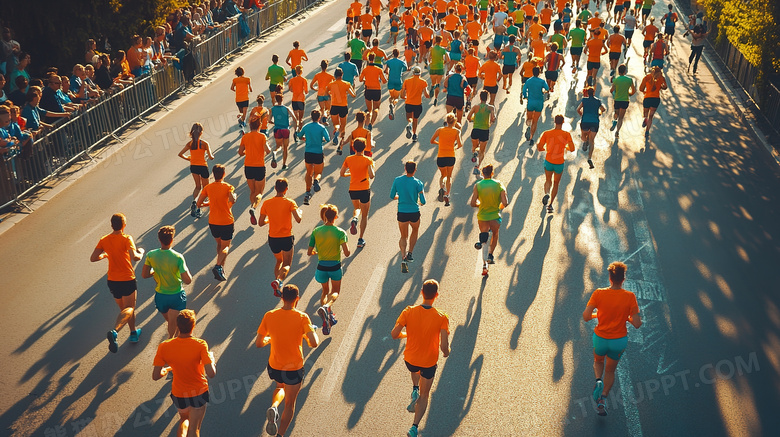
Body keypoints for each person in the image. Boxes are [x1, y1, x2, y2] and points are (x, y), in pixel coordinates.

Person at [257, 284, 319, 437]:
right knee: (290, 403)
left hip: (275, 366)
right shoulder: (302, 317)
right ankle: (280, 434)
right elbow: (314, 342)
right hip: (294, 368)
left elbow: (259, 343)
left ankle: (274, 405)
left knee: (280, 387)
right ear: (297, 299)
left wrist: (269, 340)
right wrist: (307, 335)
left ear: (282, 297)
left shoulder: (269, 315)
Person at [391, 279, 450, 437]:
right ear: (436, 295)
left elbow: (394, 334)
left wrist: (406, 334)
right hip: (429, 362)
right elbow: (444, 346)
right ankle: (414, 427)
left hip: (410, 359)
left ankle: (414, 388)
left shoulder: (408, 311)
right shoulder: (441, 317)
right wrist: (446, 352)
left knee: (415, 369)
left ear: (421, 293)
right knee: (425, 395)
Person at [582, 262, 641, 416]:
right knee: (610, 370)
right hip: (618, 341)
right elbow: (636, 323)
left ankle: (597, 381)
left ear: (610, 278)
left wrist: (598, 314)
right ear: (623, 279)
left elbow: (586, 316)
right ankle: (603, 399)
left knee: (598, 361)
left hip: (600, 338)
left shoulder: (599, 293)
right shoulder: (630, 297)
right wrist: (626, 318)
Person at [153, 309, 216, 437]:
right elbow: (211, 373)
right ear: (193, 326)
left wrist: (165, 370)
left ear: (178, 326)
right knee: (194, 429)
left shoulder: (164, 346)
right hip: (198, 391)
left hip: (179, 393)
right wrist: (212, 360)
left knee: (184, 419)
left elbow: (155, 376)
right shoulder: (200, 345)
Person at [90, 213, 145, 353]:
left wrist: (105, 255)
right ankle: (115, 331)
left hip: (112, 281)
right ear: (124, 225)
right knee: (130, 308)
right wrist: (142, 252)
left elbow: (93, 258)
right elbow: (135, 257)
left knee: (124, 310)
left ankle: (133, 333)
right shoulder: (126, 238)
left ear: (111, 225)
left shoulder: (104, 239)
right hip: (127, 278)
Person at [143, 225, 193, 339]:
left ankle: (175, 339)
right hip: (176, 295)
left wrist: (154, 271)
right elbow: (188, 280)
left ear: (159, 239)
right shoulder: (178, 257)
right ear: (172, 240)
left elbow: (144, 274)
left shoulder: (151, 255)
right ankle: (172, 343)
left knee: (171, 321)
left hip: (160, 296)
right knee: (173, 324)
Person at [308, 204, 350, 335]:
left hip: (321, 267)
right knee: (335, 291)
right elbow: (347, 253)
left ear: (325, 215)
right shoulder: (340, 232)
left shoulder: (316, 231)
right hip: (335, 266)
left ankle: (327, 316)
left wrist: (317, 252)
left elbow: (309, 252)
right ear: (336, 217)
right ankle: (327, 307)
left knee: (324, 291)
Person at [259, 178, 303, 295]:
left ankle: (277, 286)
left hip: (273, 238)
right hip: (286, 237)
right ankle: (279, 281)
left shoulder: (267, 203)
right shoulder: (290, 202)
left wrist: (270, 219)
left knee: (279, 260)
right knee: (287, 263)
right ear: (286, 189)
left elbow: (260, 222)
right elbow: (298, 219)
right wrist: (300, 212)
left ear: (275, 188)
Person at [197, 164, 237, 281]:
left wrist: (209, 203)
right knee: (226, 246)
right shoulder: (228, 187)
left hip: (213, 222)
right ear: (224, 174)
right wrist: (233, 197)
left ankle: (221, 269)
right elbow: (232, 199)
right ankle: (218, 266)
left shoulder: (208, 188)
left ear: (213, 175)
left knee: (219, 244)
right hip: (226, 221)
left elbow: (199, 203)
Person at [469, 165, 509, 273]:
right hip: (495, 216)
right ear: (492, 173)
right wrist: (499, 206)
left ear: (482, 174)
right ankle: (490, 255)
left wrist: (480, 205)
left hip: (482, 216)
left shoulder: (478, 185)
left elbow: (472, 203)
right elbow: (505, 202)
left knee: (485, 236)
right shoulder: (499, 184)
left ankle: (484, 263)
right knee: (495, 234)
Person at [391, 161, 427, 273]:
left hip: (402, 212)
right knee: (415, 230)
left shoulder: (397, 180)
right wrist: (419, 201)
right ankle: (410, 253)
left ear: (405, 168)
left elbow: (392, 196)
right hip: (414, 212)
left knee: (403, 236)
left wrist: (399, 197)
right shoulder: (418, 183)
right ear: (415, 169)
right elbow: (423, 201)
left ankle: (403, 256)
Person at [340, 138, 375, 248]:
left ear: (353, 147)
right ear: (365, 147)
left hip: (353, 189)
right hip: (364, 189)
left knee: (357, 209)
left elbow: (342, 173)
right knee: (365, 215)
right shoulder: (367, 160)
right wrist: (370, 165)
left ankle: (355, 218)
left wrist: (349, 174)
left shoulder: (348, 159)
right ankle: (360, 239)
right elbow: (372, 175)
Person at [537, 114, 575, 213]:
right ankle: (550, 205)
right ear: (563, 122)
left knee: (548, 180)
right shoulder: (566, 135)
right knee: (556, 183)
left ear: (554, 121)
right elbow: (572, 149)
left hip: (549, 161)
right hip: (559, 163)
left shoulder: (546, 133)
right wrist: (565, 147)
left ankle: (547, 193)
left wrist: (545, 148)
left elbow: (539, 147)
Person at [238, 116, 271, 225]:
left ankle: (253, 208)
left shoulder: (245, 137)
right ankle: (254, 207)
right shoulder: (262, 136)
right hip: (259, 167)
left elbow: (240, 152)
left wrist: (247, 153)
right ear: (260, 125)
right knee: (259, 192)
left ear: (250, 125)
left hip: (248, 167)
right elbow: (268, 150)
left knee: (252, 191)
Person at [178, 123, 214, 219]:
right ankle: (198, 206)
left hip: (193, 166)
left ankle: (195, 200)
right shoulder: (205, 144)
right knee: (205, 187)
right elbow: (211, 157)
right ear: (201, 132)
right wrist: (210, 156)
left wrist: (189, 159)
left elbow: (180, 154)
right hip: (203, 166)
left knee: (197, 186)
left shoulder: (190, 144)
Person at [430, 113, 463, 206]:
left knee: (442, 175)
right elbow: (460, 144)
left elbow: (431, 141)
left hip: (441, 156)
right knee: (449, 176)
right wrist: (454, 148)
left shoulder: (440, 130)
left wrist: (439, 144)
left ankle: (442, 187)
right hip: (451, 156)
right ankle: (447, 194)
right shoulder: (456, 131)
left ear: (446, 121)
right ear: (454, 121)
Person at [299, 110, 331, 205]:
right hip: (318, 152)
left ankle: (307, 192)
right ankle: (316, 181)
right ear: (319, 118)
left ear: (311, 116)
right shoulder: (322, 127)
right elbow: (328, 139)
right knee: (318, 173)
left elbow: (299, 136)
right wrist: (322, 140)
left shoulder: (306, 126)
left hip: (308, 152)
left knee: (309, 172)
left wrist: (305, 139)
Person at [466, 90, 497, 175]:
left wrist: (473, 120)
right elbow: (492, 119)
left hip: (475, 130)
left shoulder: (475, 107)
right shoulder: (491, 107)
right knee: (482, 151)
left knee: (474, 147)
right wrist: (492, 121)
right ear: (487, 98)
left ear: (480, 98)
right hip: (484, 131)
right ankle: (477, 167)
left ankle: (475, 153)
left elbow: (468, 117)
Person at [576, 87, 606, 169]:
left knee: (583, 136)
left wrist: (582, 115)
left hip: (585, 121)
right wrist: (599, 113)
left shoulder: (584, 100)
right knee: (592, 141)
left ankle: (585, 141)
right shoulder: (598, 101)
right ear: (594, 93)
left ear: (587, 93)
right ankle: (589, 158)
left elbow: (578, 109)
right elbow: (603, 109)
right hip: (594, 122)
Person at [327, 68, 357, 148]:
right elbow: (353, 95)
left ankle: (336, 131)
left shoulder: (331, 84)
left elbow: (326, 93)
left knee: (336, 124)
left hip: (334, 106)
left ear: (335, 75)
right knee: (343, 126)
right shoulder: (346, 84)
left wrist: (331, 94)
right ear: (342, 75)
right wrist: (350, 90)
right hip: (343, 106)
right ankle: (341, 144)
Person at [521, 67, 549, 145]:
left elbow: (524, 90)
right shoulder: (542, 81)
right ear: (539, 72)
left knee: (529, 118)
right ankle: (531, 137)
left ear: (532, 72)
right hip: (539, 102)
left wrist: (525, 95)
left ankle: (528, 127)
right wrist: (543, 91)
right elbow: (547, 88)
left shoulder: (528, 81)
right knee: (535, 121)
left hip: (531, 102)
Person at [401, 66, 430, 142]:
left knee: (409, 118)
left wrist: (406, 97)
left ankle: (409, 124)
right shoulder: (423, 82)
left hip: (408, 103)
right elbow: (426, 95)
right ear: (420, 74)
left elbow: (402, 95)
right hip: (417, 104)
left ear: (413, 73)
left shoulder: (407, 81)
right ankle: (414, 134)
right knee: (416, 119)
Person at [358, 53, 387, 130]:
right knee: (376, 108)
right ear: (374, 59)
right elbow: (384, 81)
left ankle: (367, 123)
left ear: (368, 59)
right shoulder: (378, 69)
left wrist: (366, 80)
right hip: (377, 90)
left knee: (369, 109)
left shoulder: (365, 69)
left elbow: (360, 79)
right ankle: (371, 123)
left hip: (368, 90)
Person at [269, 93, 297, 170]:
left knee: (278, 146)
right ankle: (284, 164)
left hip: (277, 129)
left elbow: (269, 120)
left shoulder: (272, 109)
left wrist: (274, 123)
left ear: (275, 100)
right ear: (282, 99)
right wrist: (295, 129)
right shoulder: (287, 108)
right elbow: (295, 119)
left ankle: (274, 153)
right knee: (285, 148)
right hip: (285, 129)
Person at [639, 65, 667, 139]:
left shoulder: (647, 78)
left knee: (646, 114)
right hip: (656, 99)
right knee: (651, 116)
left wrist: (645, 91)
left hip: (647, 98)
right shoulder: (661, 78)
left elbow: (641, 88)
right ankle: (647, 131)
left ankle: (645, 119)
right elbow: (665, 87)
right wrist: (660, 86)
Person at [609, 64, 635, 138]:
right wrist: (629, 94)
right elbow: (633, 91)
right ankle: (617, 131)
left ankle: (614, 121)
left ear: (618, 71)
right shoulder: (629, 80)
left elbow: (611, 90)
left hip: (617, 99)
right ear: (625, 71)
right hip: (625, 100)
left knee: (616, 113)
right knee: (621, 117)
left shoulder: (616, 80)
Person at [385, 48, 408, 121]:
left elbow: (385, 68)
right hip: (398, 80)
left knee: (391, 97)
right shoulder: (401, 62)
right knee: (397, 98)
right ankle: (393, 104)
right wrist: (401, 71)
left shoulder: (389, 61)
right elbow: (406, 68)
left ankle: (391, 104)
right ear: (398, 54)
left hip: (391, 80)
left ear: (393, 54)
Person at [311, 60, 334, 127]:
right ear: (327, 67)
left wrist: (316, 89)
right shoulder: (330, 76)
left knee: (322, 108)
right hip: (327, 94)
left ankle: (321, 119)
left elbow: (311, 85)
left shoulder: (317, 75)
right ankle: (324, 119)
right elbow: (334, 84)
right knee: (328, 109)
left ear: (321, 67)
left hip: (320, 94)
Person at [428, 36, 450, 106]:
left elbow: (428, 58)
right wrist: (444, 62)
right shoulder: (443, 49)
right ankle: (436, 98)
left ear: (435, 40)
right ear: (441, 41)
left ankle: (432, 86)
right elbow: (448, 59)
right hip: (440, 68)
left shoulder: (432, 49)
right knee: (438, 84)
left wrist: (431, 62)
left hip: (433, 67)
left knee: (433, 82)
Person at [287, 65, 308, 135]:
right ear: (301, 71)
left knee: (295, 119)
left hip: (294, 100)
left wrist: (295, 90)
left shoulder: (292, 80)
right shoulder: (304, 80)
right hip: (301, 100)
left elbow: (290, 89)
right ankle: (300, 132)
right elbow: (306, 91)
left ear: (296, 71)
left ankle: (296, 131)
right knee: (300, 119)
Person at [231, 66, 252, 130]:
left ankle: (241, 122)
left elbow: (232, 88)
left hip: (238, 99)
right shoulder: (247, 79)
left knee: (241, 113)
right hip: (245, 98)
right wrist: (248, 90)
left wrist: (237, 91)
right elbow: (250, 89)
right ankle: (242, 122)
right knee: (244, 114)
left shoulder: (235, 80)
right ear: (243, 72)